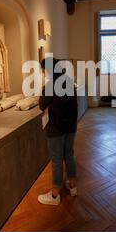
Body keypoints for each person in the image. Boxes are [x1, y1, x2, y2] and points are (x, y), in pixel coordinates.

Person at [38, 57, 78, 205]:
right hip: (70, 126)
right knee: (69, 155)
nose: (43, 74)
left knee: (56, 159)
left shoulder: (50, 85)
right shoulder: (68, 80)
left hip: (56, 128)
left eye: (43, 71)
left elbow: (42, 105)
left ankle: (55, 195)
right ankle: (73, 186)